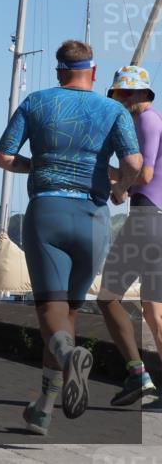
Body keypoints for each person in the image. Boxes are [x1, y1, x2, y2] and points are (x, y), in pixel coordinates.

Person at [0, 40, 142, 435]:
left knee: (50, 312)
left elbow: (3, 157)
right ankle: (43, 410)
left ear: (59, 71)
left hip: (48, 212)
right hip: (93, 218)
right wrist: (120, 190)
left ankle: (67, 353)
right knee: (68, 313)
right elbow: (134, 163)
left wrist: (39, 165)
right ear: (93, 73)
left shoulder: (36, 103)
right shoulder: (113, 110)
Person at [98, 66, 161, 407]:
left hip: (146, 219)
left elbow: (146, 174)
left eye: (123, 94)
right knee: (154, 313)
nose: (119, 100)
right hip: (156, 222)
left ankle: (139, 376)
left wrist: (120, 187)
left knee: (107, 297)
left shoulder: (147, 121)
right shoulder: (148, 121)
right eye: (117, 94)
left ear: (139, 95)